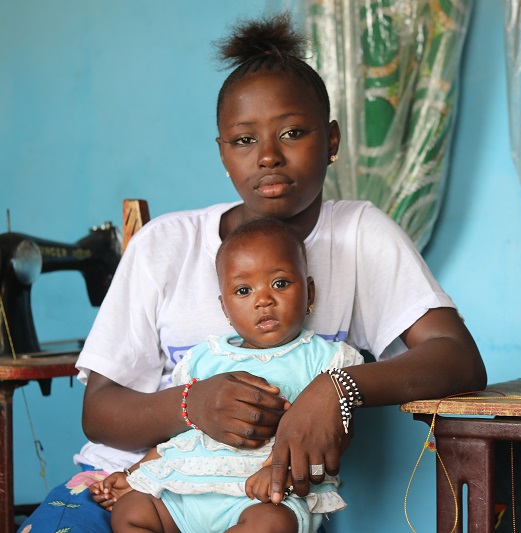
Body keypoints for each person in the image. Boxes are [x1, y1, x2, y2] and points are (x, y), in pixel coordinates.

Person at [18, 11, 485, 532]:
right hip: (129, 488)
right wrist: (194, 404)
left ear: (331, 141)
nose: (267, 156)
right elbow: (99, 413)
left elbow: (458, 359)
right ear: (223, 153)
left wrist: (338, 388)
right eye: (243, 140)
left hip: (253, 502)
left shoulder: (359, 235)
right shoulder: (166, 245)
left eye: (291, 132)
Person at [90, 217, 362, 533]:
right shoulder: (204, 359)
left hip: (263, 496)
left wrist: (280, 473)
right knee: (131, 511)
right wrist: (136, 473)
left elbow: (337, 433)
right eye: (244, 290)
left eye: (280, 283)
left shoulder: (324, 358)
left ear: (310, 293)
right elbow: (181, 437)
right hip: (184, 494)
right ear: (225, 309)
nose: (264, 300)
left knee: (270, 525)